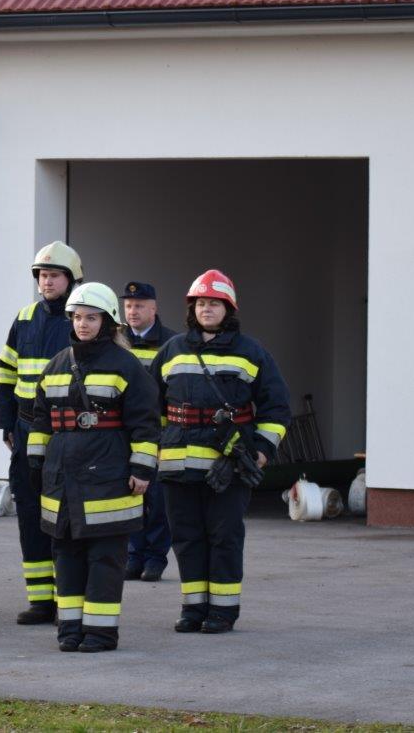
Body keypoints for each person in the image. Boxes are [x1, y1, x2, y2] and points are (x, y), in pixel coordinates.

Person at [151, 270, 290, 634]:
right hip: (178, 465)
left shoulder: (252, 352)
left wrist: (260, 450)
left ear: (228, 309)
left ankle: (223, 612)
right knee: (185, 537)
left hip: (228, 465)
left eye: (214, 303)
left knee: (224, 536)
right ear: (191, 309)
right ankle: (193, 608)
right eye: (200, 303)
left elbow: (276, 408)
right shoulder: (172, 350)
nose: (206, 308)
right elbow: (149, 407)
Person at [27, 282, 159, 652]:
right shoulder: (56, 364)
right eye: (78, 317)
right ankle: (70, 629)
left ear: (108, 322)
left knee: (104, 558)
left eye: (91, 317)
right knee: (65, 556)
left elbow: (146, 423)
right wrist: (37, 463)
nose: (83, 324)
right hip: (61, 480)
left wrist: (143, 469)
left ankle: (100, 632)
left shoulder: (126, 366)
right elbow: (41, 421)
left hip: (109, 479)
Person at [0, 241, 83, 625]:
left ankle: (69, 598)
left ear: (71, 279)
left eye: (53, 276)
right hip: (27, 427)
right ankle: (40, 600)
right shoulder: (25, 318)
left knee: (65, 516)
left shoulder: (81, 319)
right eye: (42, 276)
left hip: (66, 433)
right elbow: (5, 373)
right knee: (30, 515)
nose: (46, 282)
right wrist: (6, 423)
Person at [121, 281, 176, 584]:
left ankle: (155, 558)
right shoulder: (116, 339)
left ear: (154, 308)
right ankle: (133, 555)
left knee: (156, 500)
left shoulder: (170, 343)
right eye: (128, 306)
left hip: (160, 434)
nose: (132, 311)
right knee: (130, 495)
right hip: (124, 434)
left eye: (139, 305)